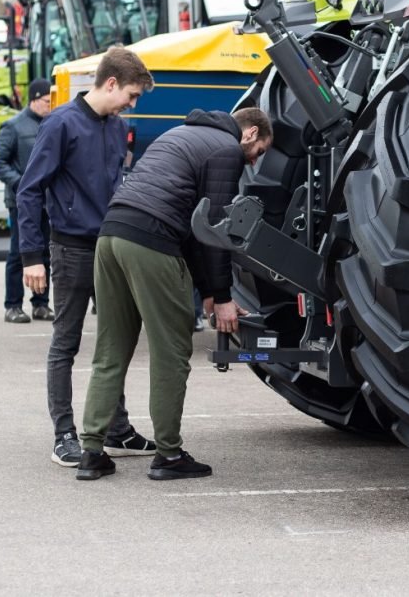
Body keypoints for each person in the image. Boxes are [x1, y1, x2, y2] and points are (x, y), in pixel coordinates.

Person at [74, 107, 271, 481]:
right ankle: (168, 454)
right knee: (171, 353)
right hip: (152, 241)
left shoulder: (177, 134)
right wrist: (223, 297)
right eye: (259, 151)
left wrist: (209, 291)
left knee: (111, 348)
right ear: (250, 133)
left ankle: (92, 452)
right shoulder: (227, 150)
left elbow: (195, 227)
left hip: (111, 236)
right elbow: (215, 229)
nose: (254, 161)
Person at [16, 47, 157, 468]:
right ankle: (64, 434)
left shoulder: (118, 127)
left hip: (111, 246)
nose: (132, 104)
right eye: (131, 95)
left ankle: (117, 429)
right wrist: (31, 256)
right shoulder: (60, 123)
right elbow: (29, 190)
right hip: (71, 248)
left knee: (116, 340)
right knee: (67, 342)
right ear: (111, 83)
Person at [0, 78, 54, 324]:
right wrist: (20, 183)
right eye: (47, 101)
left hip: (47, 200)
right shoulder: (13, 126)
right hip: (21, 202)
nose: (51, 105)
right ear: (34, 99)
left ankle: (41, 304)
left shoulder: (53, 124)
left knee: (45, 252)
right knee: (19, 253)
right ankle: (13, 305)